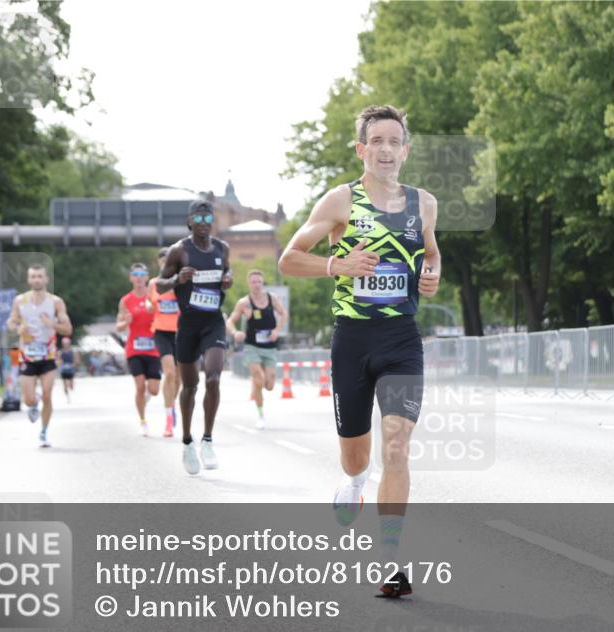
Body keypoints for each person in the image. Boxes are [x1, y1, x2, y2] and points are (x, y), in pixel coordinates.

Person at [278, 105, 441, 597]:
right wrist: (336, 266)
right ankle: (354, 482)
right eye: (377, 141)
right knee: (356, 454)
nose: (386, 149)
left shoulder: (424, 204)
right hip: (352, 339)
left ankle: (390, 562)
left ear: (405, 150)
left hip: (401, 340)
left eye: (395, 141)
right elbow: (289, 260)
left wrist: (433, 274)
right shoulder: (340, 201)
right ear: (362, 149)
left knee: (397, 445)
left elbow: (431, 254)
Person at [155, 199, 233, 474]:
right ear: (189, 222)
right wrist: (177, 280)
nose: (203, 224)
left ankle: (208, 440)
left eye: (207, 218)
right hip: (188, 325)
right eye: (197, 220)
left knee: (213, 377)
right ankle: (187, 442)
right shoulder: (179, 251)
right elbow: (159, 284)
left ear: (213, 221)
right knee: (189, 386)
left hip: (213, 322)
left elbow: (227, 271)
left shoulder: (222, 248)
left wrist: (228, 279)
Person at [6, 264, 73, 447]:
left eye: (40, 276)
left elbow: (68, 329)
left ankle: (43, 432)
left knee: (48, 395)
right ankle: (33, 402)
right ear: (29, 280)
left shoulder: (55, 302)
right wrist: (18, 327)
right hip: (27, 356)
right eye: (33, 276)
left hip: (48, 356)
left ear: (46, 279)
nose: (37, 279)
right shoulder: (20, 301)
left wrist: (51, 324)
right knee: (27, 400)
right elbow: (10, 322)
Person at [225, 269, 287, 430]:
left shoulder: (271, 299)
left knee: (270, 385)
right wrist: (235, 332)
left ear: (263, 282)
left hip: (270, 347)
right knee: (258, 379)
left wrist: (276, 331)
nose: (257, 285)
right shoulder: (244, 303)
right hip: (252, 346)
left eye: (259, 281)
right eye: (254, 282)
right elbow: (230, 321)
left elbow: (283, 314)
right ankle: (261, 415)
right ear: (249, 283)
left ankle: (257, 384)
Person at [116, 262, 161, 437]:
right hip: (134, 349)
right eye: (136, 274)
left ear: (147, 277)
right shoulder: (126, 301)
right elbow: (118, 326)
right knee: (140, 386)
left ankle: (146, 399)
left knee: (155, 390)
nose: (139, 278)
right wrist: (125, 322)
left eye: (142, 274)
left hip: (153, 348)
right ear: (131, 278)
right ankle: (143, 421)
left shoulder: (155, 297)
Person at [150, 247, 181, 437]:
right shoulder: (153, 283)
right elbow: (150, 301)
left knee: (178, 378)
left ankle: (172, 403)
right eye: (162, 261)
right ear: (159, 263)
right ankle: (168, 417)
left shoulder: (180, 282)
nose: (165, 264)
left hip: (180, 331)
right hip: (161, 332)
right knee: (169, 373)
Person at [57, 337, 79, 402]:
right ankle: (67, 397)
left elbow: (77, 359)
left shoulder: (73, 351)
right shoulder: (60, 352)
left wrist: (74, 364)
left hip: (71, 369)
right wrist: (60, 364)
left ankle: (70, 389)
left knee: (71, 386)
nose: (66, 344)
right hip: (63, 369)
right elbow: (58, 360)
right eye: (64, 343)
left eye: (67, 343)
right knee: (65, 384)